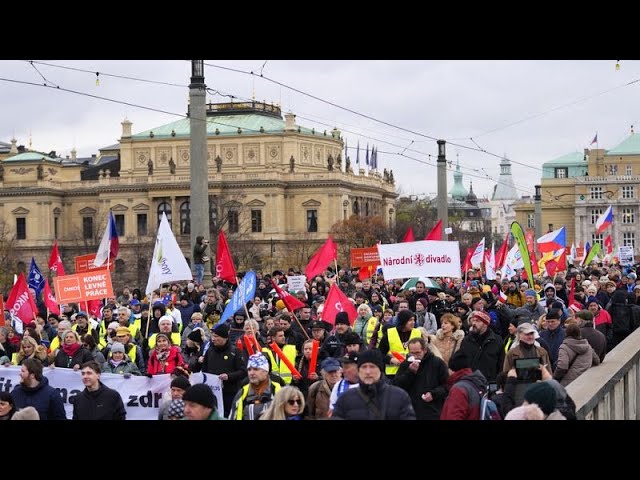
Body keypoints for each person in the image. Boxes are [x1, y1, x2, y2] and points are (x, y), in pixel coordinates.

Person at [332, 349, 416, 420]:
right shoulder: (345, 398)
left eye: (372, 367)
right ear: (358, 370)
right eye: (364, 367)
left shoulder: (400, 397)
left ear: (380, 370)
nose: (368, 372)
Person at [393, 337, 449, 420]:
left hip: (432, 411)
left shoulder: (437, 363)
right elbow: (397, 385)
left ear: (425, 350)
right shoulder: (406, 364)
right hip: (411, 411)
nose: (415, 356)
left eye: (418, 353)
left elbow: (447, 386)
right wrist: (410, 372)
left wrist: (433, 394)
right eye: (412, 353)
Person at [229, 353, 282, 420]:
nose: (251, 373)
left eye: (256, 369)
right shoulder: (242, 393)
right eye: (249, 370)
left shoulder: (278, 391)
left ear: (266, 371)